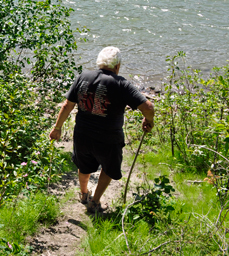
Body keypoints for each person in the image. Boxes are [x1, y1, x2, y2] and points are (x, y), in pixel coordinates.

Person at [49, 46, 154, 213]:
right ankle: (95, 201)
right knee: (108, 168)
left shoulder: (83, 77)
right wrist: (148, 120)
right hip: (109, 138)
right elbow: (148, 106)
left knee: (84, 166)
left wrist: (57, 128)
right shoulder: (121, 84)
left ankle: (84, 194)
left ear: (99, 62)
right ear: (117, 65)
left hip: (82, 134)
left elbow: (67, 105)